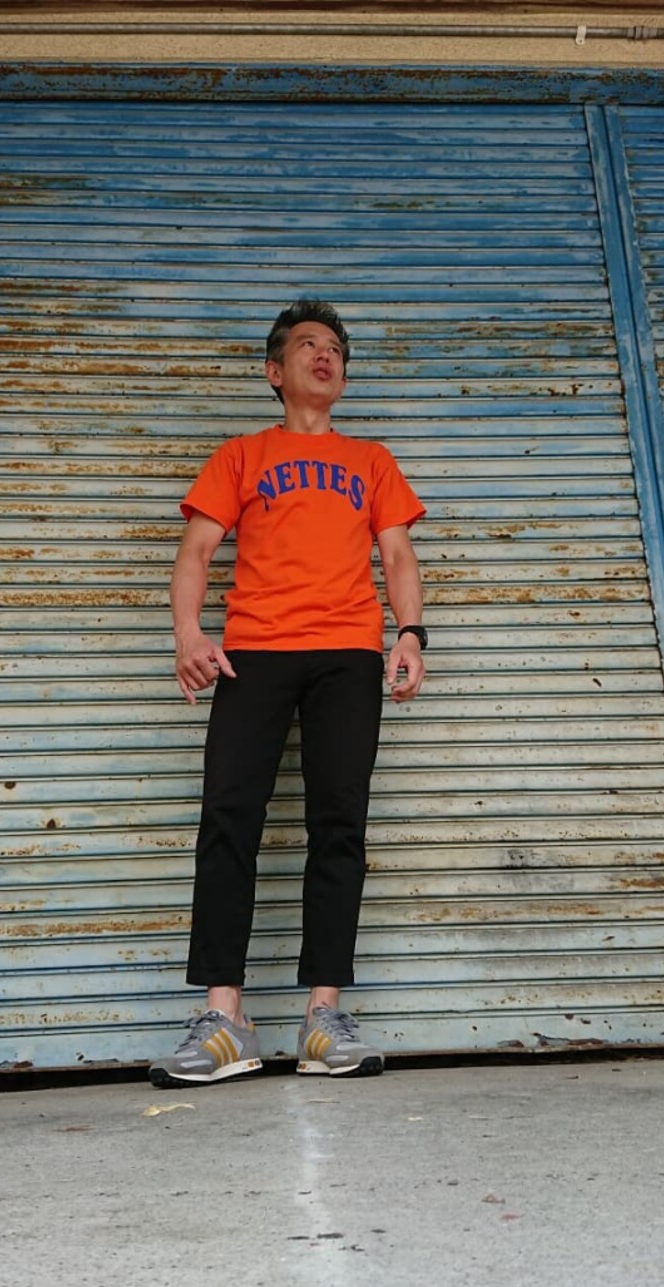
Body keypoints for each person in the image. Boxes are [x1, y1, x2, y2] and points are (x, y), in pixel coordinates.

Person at [149, 299, 427, 1088]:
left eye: (335, 347)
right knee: (228, 818)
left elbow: (397, 554)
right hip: (255, 653)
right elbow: (196, 551)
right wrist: (189, 635)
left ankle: (322, 1018)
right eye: (308, 344)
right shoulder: (242, 455)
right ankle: (225, 1020)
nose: (325, 355)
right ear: (275, 371)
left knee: (339, 825)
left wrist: (410, 634)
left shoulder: (370, 460)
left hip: (347, 654)